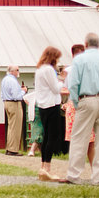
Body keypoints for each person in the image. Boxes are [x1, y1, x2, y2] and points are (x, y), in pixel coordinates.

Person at [64, 32, 99, 185]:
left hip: (86, 98)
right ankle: (98, 177)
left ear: (85, 44)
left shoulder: (79, 60)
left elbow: (73, 84)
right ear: (98, 44)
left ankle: (74, 174)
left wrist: (75, 102)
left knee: (79, 137)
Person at [33, 46, 65, 182]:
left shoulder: (39, 70)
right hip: (52, 104)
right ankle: (47, 168)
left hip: (42, 105)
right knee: (53, 137)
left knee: (46, 136)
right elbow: (56, 89)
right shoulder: (49, 70)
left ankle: (42, 167)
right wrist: (62, 79)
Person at [1, 64, 28, 155]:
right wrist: (23, 91)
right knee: (16, 127)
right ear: (12, 71)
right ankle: (13, 149)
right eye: (17, 70)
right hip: (14, 103)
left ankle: (9, 148)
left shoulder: (5, 79)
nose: (18, 72)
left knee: (11, 127)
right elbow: (16, 96)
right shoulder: (13, 81)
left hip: (6, 102)